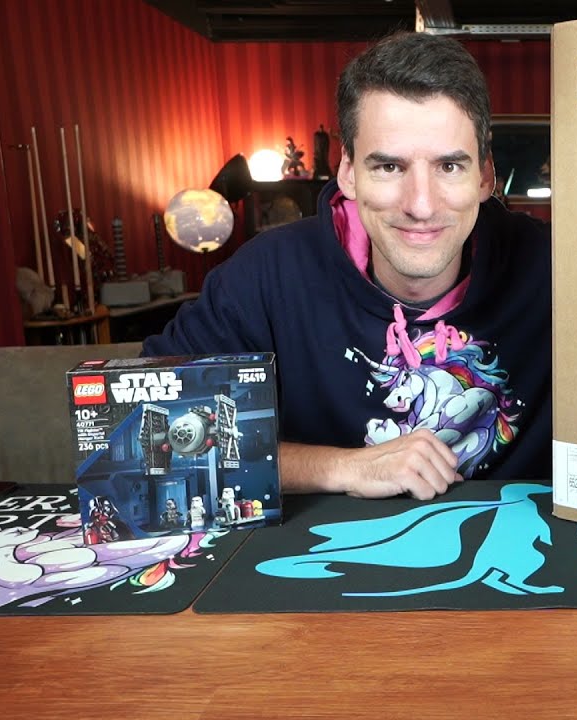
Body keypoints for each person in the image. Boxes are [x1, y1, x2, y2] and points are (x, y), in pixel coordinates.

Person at [143, 32, 551, 501]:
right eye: (389, 167)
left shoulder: (555, 268)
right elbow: (141, 436)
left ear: (484, 176)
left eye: (449, 167)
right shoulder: (265, 275)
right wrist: (339, 467)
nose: (421, 205)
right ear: (349, 173)